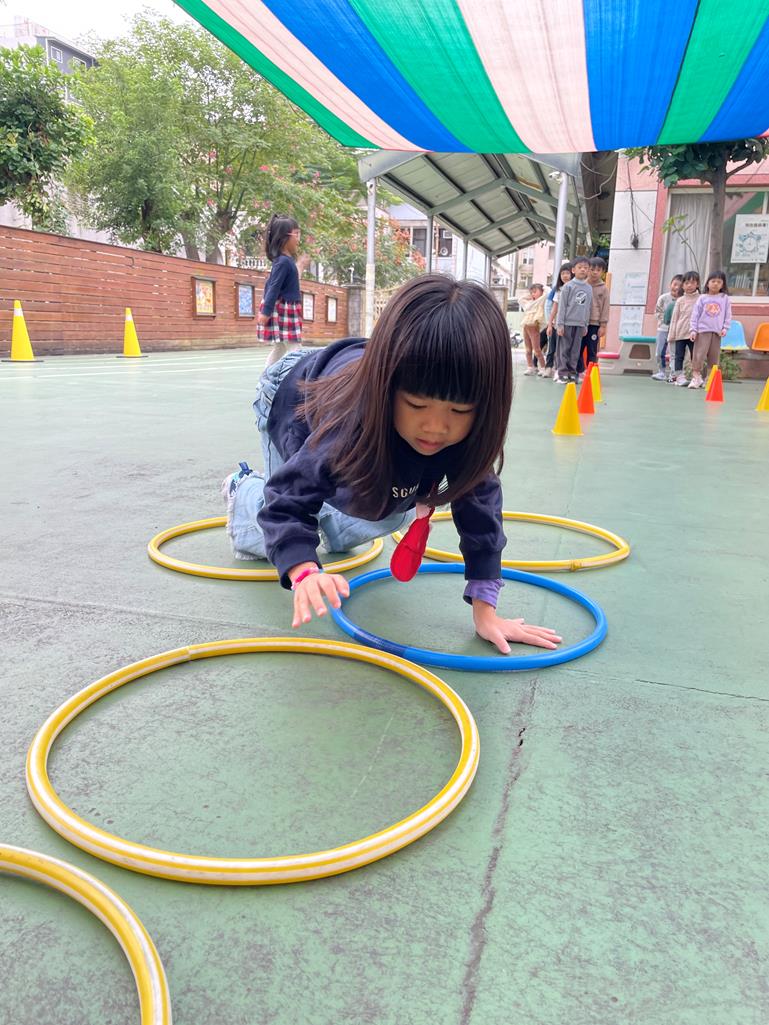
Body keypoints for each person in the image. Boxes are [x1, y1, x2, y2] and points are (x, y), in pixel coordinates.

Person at [223, 274, 562, 654]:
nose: (436, 427)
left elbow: (481, 515)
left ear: (484, 407)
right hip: (295, 395)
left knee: (385, 509)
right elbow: (289, 499)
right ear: (388, 391)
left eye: (459, 410)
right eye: (417, 405)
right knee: (272, 529)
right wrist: (303, 570)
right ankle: (242, 489)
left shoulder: (466, 433)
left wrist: (486, 612)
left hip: (367, 383)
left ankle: (329, 517)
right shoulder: (348, 426)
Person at [257, 214, 303, 367]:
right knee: (295, 347)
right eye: (296, 234)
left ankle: (266, 375)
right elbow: (273, 287)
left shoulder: (286, 261)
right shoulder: (283, 262)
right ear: (285, 237)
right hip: (283, 309)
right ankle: (298, 377)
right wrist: (266, 312)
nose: (298, 239)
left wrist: (300, 266)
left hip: (286, 309)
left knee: (281, 347)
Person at [688, 271, 731, 389]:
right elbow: (695, 315)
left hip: (717, 332)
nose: (716, 284)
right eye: (713, 281)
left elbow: (728, 314)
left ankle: (710, 379)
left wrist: (725, 327)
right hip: (702, 331)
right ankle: (696, 377)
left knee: (714, 356)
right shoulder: (702, 298)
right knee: (699, 354)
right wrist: (693, 330)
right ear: (707, 283)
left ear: (723, 284)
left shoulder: (725, 298)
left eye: (719, 282)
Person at [555, 256, 592, 384]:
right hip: (567, 323)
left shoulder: (589, 288)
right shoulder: (568, 286)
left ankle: (572, 373)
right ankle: (562, 373)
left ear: (588, 270)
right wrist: (560, 324)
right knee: (564, 349)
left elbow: (588, 307)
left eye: (586, 268)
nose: (583, 270)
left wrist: (586, 324)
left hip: (580, 324)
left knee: (575, 351)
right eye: (580, 267)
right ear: (573, 270)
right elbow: (562, 306)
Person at [667, 271, 700, 386]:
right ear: (683, 286)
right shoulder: (680, 300)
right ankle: (679, 377)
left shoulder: (701, 299)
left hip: (694, 334)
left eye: (692, 283)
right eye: (686, 283)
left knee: (695, 356)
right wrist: (672, 335)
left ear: (697, 284)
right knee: (678, 356)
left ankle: (697, 377)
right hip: (680, 333)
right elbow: (674, 319)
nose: (689, 285)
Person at [544, 262, 572, 380]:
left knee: (565, 349)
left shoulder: (575, 289)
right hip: (556, 324)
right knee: (552, 347)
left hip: (569, 324)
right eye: (562, 273)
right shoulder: (558, 290)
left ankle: (561, 369)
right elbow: (553, 308)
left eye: (567, 273)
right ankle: (548, 367)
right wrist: (550, 324)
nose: (565, 276)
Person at [652, 274, 683, 380]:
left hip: (677, 330)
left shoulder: (683, 300)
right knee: (660, 351)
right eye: (675, 284)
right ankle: (661, 371)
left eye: (679, 286)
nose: (676, 287)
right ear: (670, 284)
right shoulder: (663, 298)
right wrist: (665, 320)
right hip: (663, 328)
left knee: (674, 353)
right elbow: (657, 312)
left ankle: (673, 373)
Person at [584, 257, 609, 369]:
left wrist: (603, 326)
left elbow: (605, 308)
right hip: (580, 323)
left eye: (598, 270)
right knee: (578, 349)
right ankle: (578, 371)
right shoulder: (582, 285)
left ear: (603, 272)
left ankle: (591, 372)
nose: (594, 272)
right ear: (587, 269)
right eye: (592, 269)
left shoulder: (604, 289)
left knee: (592, 349)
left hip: (594, 324)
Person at [520, 283, 547, 376]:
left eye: (535, 292)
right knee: (528, 349)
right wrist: (530, 295)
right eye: (531, 292)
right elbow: (520, 300)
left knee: (537, 349)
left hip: (534, 326)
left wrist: (543, 288)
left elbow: (547, 292)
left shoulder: (541, 301)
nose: (533, 294)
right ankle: (530, 367)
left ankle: (543, 367)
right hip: (526, 326)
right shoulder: (529, 303)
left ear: (541, 292)